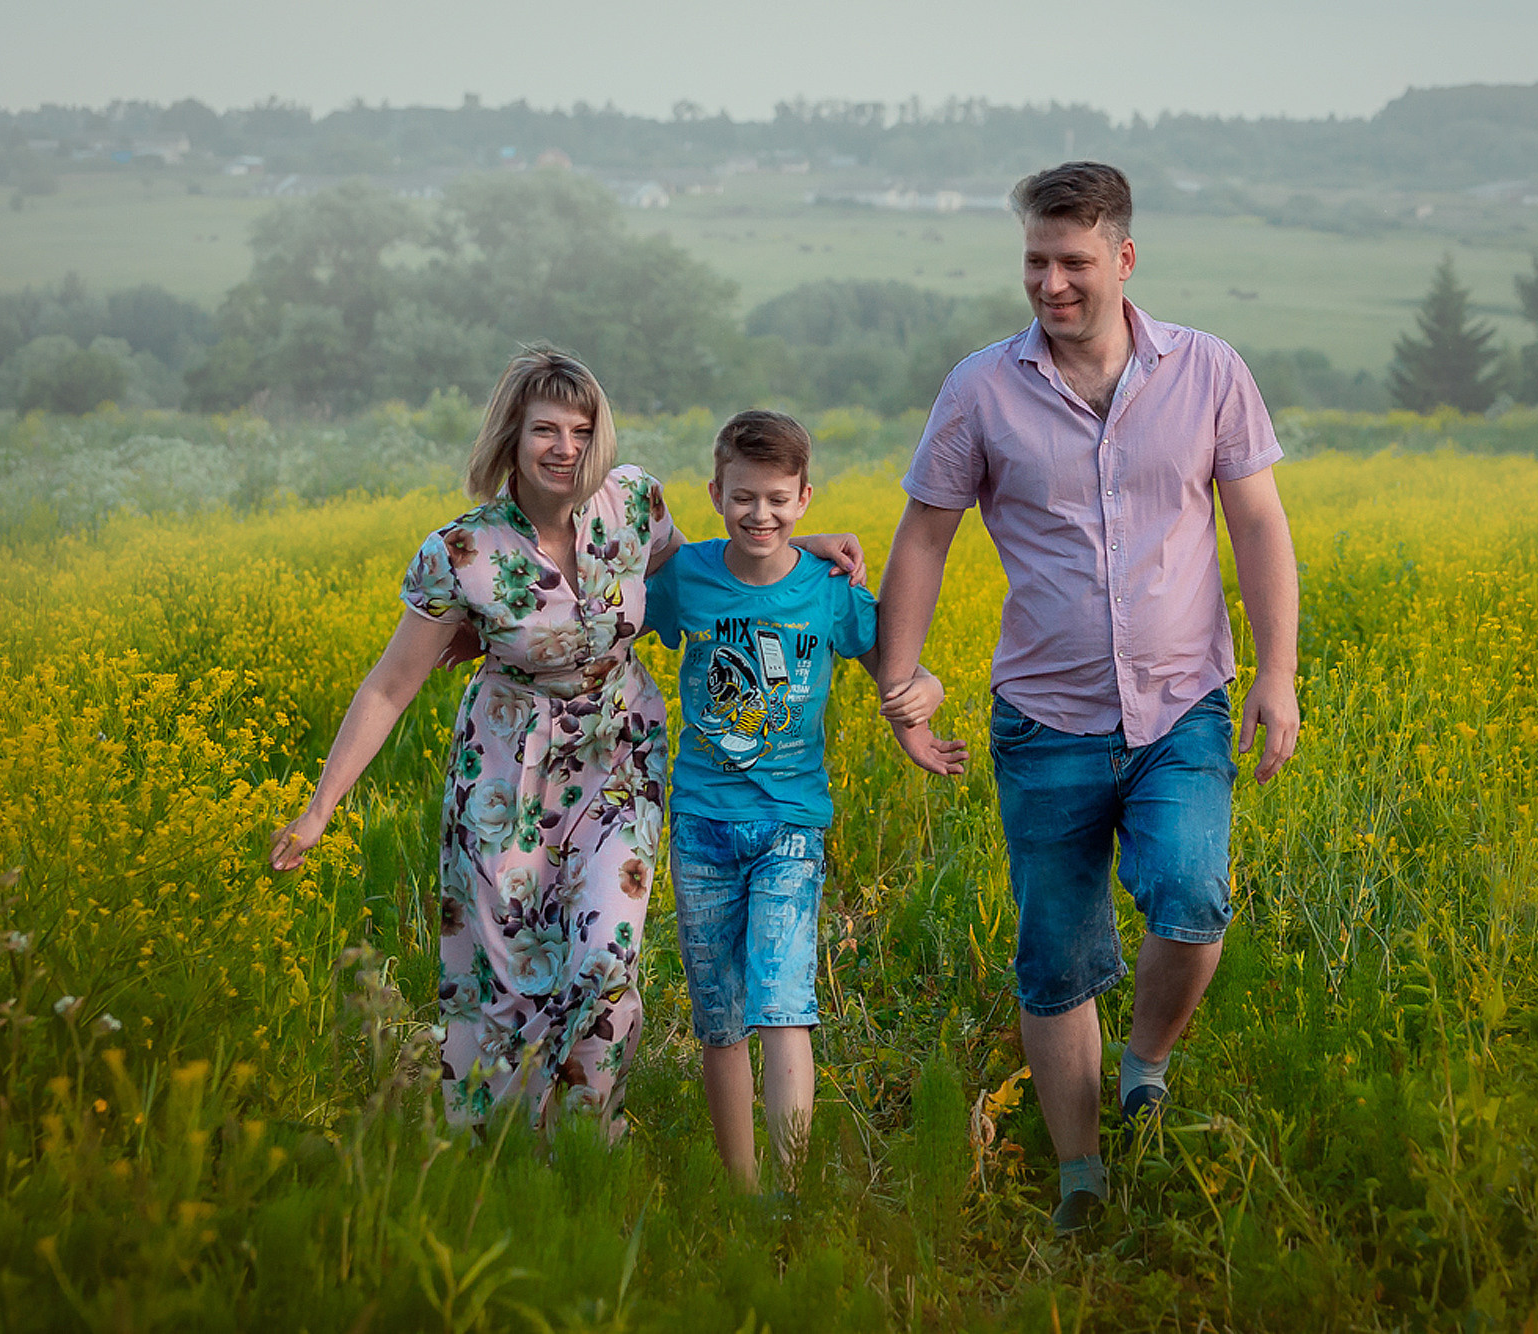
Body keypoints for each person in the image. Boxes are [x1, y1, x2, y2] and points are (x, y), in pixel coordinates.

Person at [269, 349, 864, 1138]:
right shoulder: (461, 554)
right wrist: (318, 810)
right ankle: (502, 1144)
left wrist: (796, 549)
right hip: (505, 777)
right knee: (506, 970)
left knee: (603, 962)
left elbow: (704, 576)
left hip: (620, 759)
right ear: (511, 436)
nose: (564, 447)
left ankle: (584, 1139)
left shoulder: (633, 503)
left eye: (582, 430)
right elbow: (387, 687)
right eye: (545, 428)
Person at [874, 163, 1302, 1234]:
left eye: (1072, 261)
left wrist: (1277, 671)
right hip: (1043, 719)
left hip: (1180, 707)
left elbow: (1255, 523)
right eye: (1034, 261)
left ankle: (1144, 1060)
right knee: (1055, 954)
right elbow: (924, 533)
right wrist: (901, 683)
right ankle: (1079, 1177)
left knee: (1193, 897)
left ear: (1121, 258)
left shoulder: (1206, 370)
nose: (1050, 283)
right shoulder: (979, 387)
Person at [642, 410, 967, 1188]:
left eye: (780, 500)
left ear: (806, 497)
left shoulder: (827, 590)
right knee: (718, 1017)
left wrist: (927, 693)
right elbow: (608, 627)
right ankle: (742, 1188)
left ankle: (789, 1192)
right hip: (700, 824)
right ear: (716, 492)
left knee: (784, 1007)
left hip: (792, 824)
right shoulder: (685, 578)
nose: (762, 514)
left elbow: (897, 663)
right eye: (745, 498)